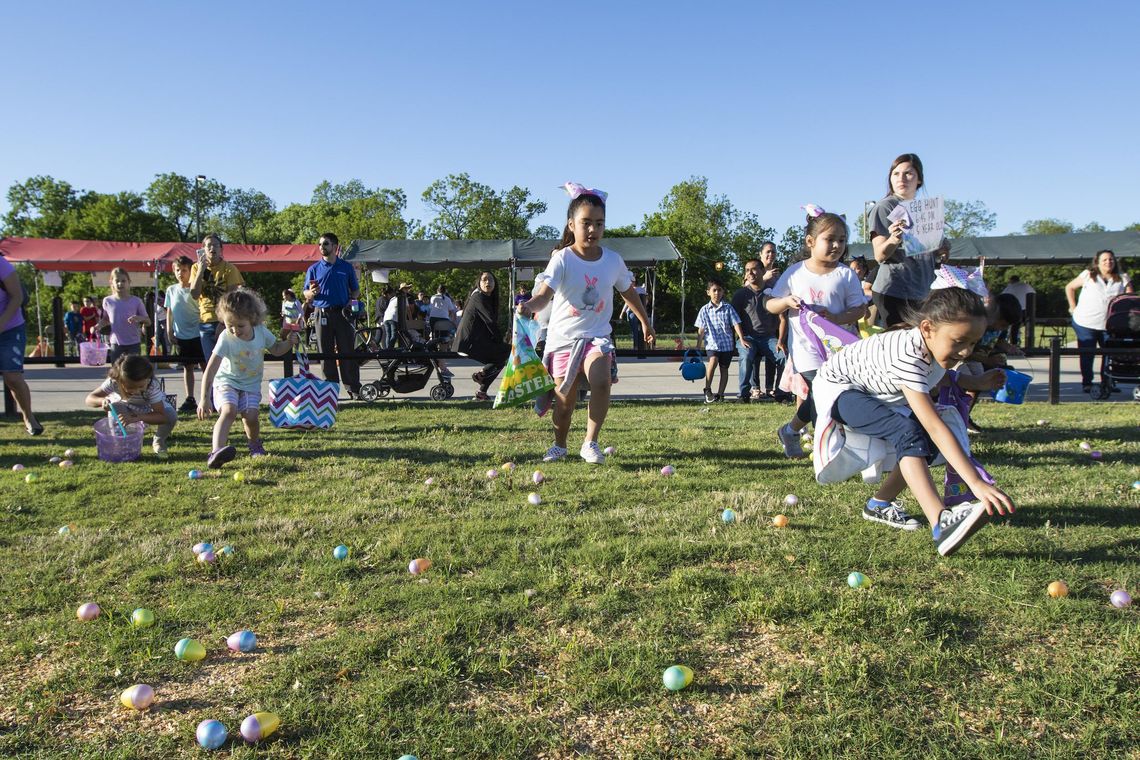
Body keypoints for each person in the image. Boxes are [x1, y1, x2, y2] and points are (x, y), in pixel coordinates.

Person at [811, 284, 1015, 556]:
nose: (966, 352)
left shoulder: (931, 346)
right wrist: (976, 484)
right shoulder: (908, 354)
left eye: (973, 343)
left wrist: (975, 381)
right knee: (909, 431)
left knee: (921, 440)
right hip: (839, 389)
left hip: (873, 392)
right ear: (928, 329)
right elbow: (933, 424)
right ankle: (940, 523)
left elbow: (937, 376)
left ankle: (879, 504)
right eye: (959, 342)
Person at [517, 183, 655, 464]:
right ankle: (559, 445)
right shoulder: (563, 259)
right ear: (571, 224)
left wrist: (645, 322)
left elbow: (628, 292)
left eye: (599, 223)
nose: (593, 229)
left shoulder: (613, 261)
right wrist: (528, 306)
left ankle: (590, 442)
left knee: (601, 381)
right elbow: (544, 295)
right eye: (586, 223)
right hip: (563, 339)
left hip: (597, 337)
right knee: (565, 403)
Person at [766, 208, 866, 458]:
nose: (836, 245)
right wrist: (787, 301)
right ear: (810, 242)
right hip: (806, 350)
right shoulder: (795, 273)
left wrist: (836, 318)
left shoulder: (846, 274)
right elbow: (769, 304)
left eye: (842, 240)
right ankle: (831, 449)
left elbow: (860, 309)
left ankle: (790, 430)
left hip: (840, 349)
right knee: (821, 395)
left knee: (833, 394)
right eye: (829, 239)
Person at [198, 288, 299, 468]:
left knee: (251, 416)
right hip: (226, 382)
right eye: (230, 325)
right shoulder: (225, 338)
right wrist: (204, 398)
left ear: (252, 319)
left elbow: (276, 349)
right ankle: (216, 452)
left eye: (240, 326)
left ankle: (254, 445)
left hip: (250, 384)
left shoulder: (261, 332)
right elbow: (211, 368)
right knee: (228, 410)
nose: (235, 330)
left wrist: (289, 343)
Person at [868, 153, 951, 328]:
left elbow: (929, 255)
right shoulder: (885, 207)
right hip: (895, 289)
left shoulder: (926, 210)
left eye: (908, 173)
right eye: (896, 174)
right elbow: (879, 256)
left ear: (919, 179)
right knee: (900, 346)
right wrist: (894, 238)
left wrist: (941, 249)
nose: (901, 178)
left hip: (922, 290)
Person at [1065, 249, 1134, 394]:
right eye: (1105, 260)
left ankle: (1107, 382)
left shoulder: (1122, 277)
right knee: (1087, 352)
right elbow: (1069, 287)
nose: (1108, 262)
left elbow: (1130, 298)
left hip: (1110, 324)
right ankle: (1087, 382)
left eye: (1111, 259)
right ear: (1097, 262)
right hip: (1085, 321)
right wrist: (1072, 306)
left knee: (1109, 353)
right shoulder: (1088, 275)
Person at [303, 233, 362, 399]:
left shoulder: (346, 267)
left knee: (347, 351)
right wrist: (311, 293)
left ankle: (354, 388)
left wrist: (352, 300)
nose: (322, 247)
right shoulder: (313, 269)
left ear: (335, 246)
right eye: (320, 244)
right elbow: (305, 292)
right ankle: (329, 391)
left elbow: (355, 289)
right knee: (325, 353)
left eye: (326, 244)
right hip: (321, 313)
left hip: (343, 313)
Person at [85, 354, 178, 458]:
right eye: (130, 387)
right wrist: (102, 401)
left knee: (170, 415)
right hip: (123, 407)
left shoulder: (152, 386)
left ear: (147, 379)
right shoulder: (114, 381)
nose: (136, 391)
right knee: (115, 407)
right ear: (120, 381)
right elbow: (89, 399)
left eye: (141, 386)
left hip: (148, 408)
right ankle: (121, 442)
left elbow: (161, 416)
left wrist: (137, 418)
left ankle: (159, 441)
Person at [0, 254, 43, 435]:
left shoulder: (2, 265)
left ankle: (28, 416)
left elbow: (17, 296)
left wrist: (1, 324)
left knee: (12, 377)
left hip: (10, 327)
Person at [732, 255, 782, 402]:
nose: (750, 273)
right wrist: (740, 339)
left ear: (762, 271)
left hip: (769, 338)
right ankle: (744, 394)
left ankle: (781, 393)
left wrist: (781, 340)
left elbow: (782, 318)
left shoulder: (772, 292)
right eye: (747, 270)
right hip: (748, 337)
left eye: (754, 269)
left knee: (784, 357)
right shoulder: (741, 294)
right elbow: (734, 319)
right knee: (746, 355)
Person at [455, 271, 510, 401]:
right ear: (478, 283)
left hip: (475, 341)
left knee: (501, 357)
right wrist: (500, 340)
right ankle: (482, 375)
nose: (487, 282)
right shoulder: (478, 297)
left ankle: (481, 389)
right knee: (506, 352)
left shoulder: (485, 298)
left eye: (491, 280)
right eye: (484, 279)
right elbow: (490, 321)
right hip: (468, 343)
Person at [189, 232, 245, 358]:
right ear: (203, 249)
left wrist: (223, 322)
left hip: (226, 321)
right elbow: (194, 294)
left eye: (215, 245)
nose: (212, 248)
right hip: (206, 321)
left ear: (221, 249)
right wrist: (200, 271)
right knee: (211, 361)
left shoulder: (229, 268)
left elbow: (232, 298)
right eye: (208, 245)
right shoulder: (195, 267)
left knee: (227, 361)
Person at [695, 278, 748, 403]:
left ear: (723, 292)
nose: (717, 293)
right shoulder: (704, 310)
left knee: (724, 369)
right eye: (714, 290)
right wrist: (698, 345)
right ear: (708, 292)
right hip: (712, 343)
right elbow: (701, 329)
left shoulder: (728, 308)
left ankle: (720, 394)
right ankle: (707, 388)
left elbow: (736, 323)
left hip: (726, 344)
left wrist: (741, 338)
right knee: (713, 361)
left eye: (719, 290)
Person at [166, 255, 205, 414]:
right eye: (177, 270)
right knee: (187, 367)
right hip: (181, 335)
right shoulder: (171, 289)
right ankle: (190, 398)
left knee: (205, 366)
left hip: (199, 333)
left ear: (191, 271)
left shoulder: (197, 288)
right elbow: (169, 311)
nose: (180, 273)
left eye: (184, 270)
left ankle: (207, 397)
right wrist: (169, 331)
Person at [99, 268, 151, 365]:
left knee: (133, 372)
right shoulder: (107, 301)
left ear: (129, 282)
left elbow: (148, 321)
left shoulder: (136, 301)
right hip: (115, 343)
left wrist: (139, 318)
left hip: (133, 343)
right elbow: (105, 319)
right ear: (112, 283)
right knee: (116, 372)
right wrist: (97, 326)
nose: (120, 283)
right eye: (117, 281)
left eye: (123, 281)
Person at [618, 272, 649, 356]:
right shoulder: (642, 289)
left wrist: (622, 313)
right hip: (638, 312)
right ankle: (642, 347)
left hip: (632, 312)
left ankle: (636, 347)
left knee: (635, 330)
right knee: (639, 330)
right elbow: (646, 301)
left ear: (632, 282)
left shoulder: (633, 290)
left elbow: (628, 303)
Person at [1001, 275, 1035, 345]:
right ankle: (1025, 344)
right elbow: (1033, 293)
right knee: (1024, 327)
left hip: (1014, 309)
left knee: (1011, 327)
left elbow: (1002, 296)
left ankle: (1011, 343)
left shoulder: (1010, 287)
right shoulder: (1026, 286)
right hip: (1026, 310)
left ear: (1011, 280)